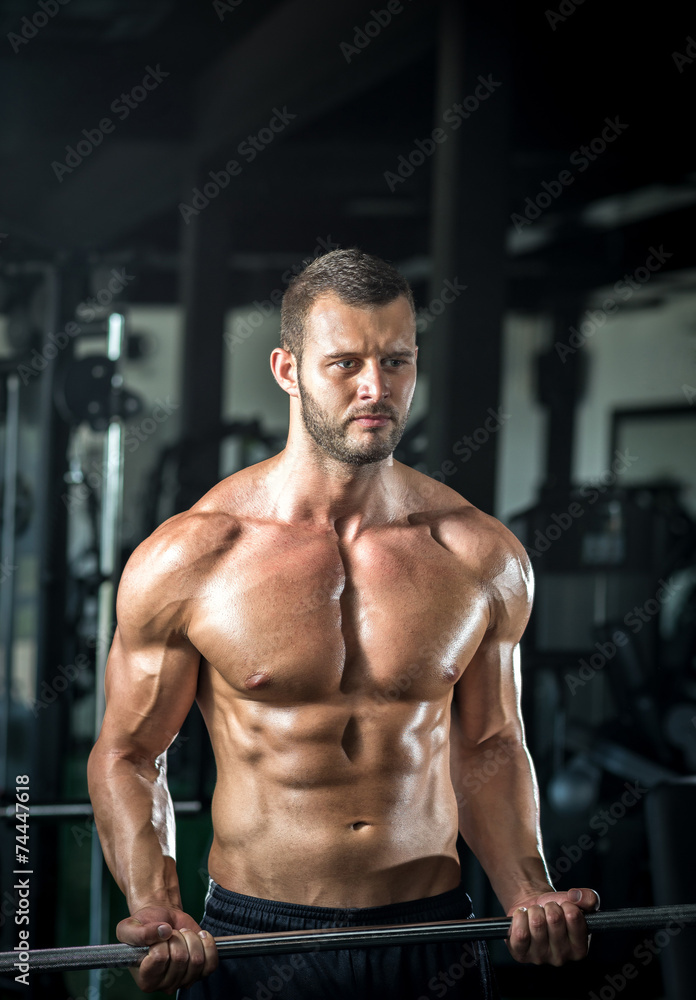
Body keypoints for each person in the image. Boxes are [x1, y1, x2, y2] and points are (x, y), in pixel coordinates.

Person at [87, 248, 598, 998]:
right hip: (255, 938)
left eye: (397, 361)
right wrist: (155, 904)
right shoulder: (193, 556)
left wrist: (527, 889)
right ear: (288, 370)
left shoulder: (479, 554)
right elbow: (128, 753)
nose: (376, 388)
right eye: (346, 363)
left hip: (431, 934)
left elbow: (489, 743)